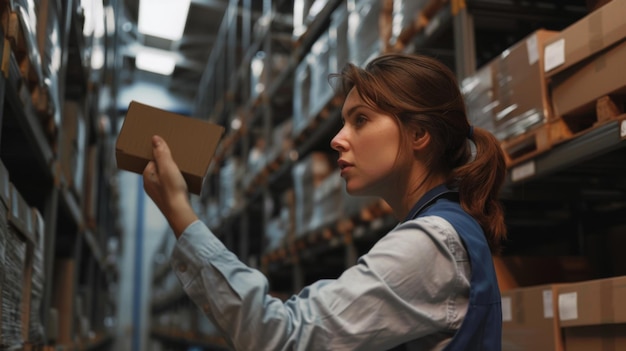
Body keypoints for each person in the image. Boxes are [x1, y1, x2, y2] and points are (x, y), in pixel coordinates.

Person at [143, 53, 507, 350]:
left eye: (360, 120)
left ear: (419, 134)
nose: (337, 139)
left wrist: (179, 211)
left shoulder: (430, 243)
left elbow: (282, 336)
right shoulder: (438, 230)